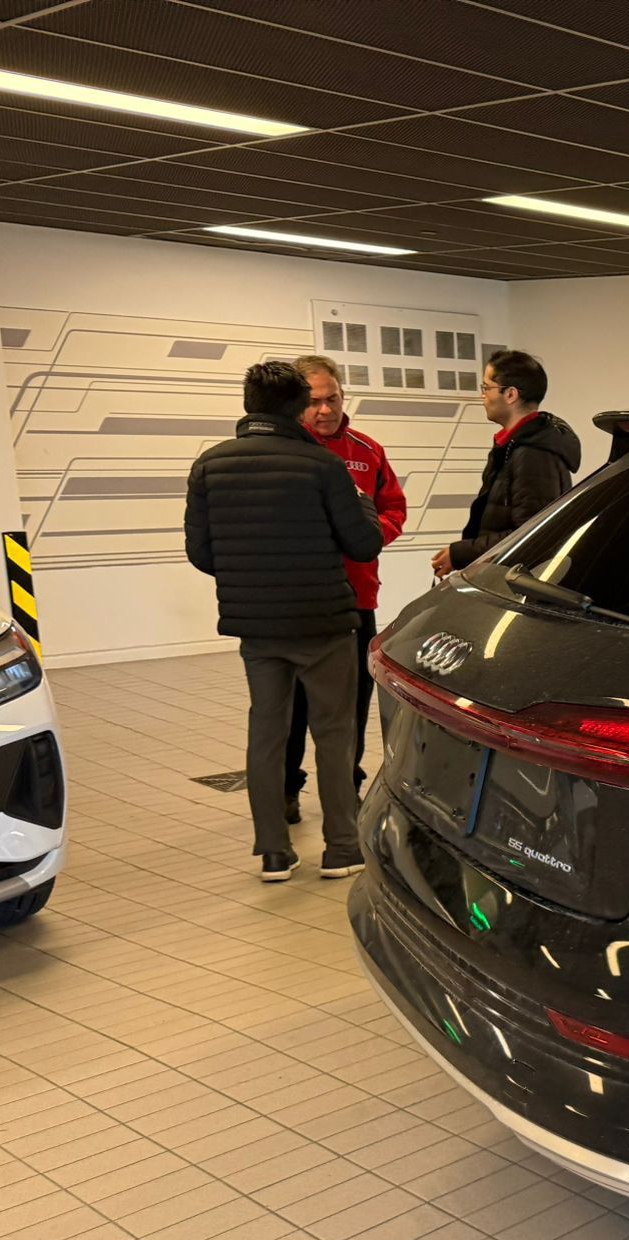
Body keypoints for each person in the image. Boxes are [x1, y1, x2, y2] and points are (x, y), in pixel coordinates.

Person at [185, 360, 381, 882]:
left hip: (258, 628)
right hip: (325, 623)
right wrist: (363, 506)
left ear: (249, 404)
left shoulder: (210, 466)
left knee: (266, 734)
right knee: (335, 734)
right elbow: (363, 543)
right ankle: (341, 847)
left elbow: (202, 554)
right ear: (298, 406)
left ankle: (274, 851)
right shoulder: (323, 466)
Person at [283, 354, 406, 824]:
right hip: (299, 601)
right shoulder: (289, 452)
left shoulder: (367, 450)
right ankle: (287, 790)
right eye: (314, 401)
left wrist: (373, 538)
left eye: (332, 398)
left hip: (356, 598)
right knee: (292, 705)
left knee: (352, 704)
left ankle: (346, 788)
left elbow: (393, 506)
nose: (324, 410)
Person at [433, 348, 580, 580]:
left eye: (486, 388)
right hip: (501, 578)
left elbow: (531, 535)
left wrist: (461, 553)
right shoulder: (517, 446)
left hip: (515, 585)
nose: (483, 396)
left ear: (510, 394)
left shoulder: (534, 454)